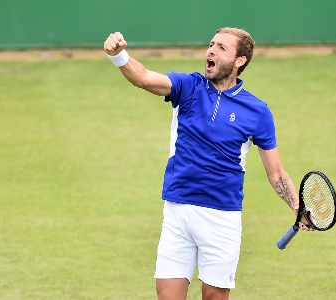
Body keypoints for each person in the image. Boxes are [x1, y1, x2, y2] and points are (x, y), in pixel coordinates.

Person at [103, 28, 310, 300]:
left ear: (240, 61)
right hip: (178, 211)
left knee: (214, 296)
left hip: (221, 218)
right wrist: (119, 56)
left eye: (222, 48)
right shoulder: (188, 87)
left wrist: (297, 205)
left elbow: (276, 172)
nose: (211, 50)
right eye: (211, 45)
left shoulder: (257, 112)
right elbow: (143, 78)